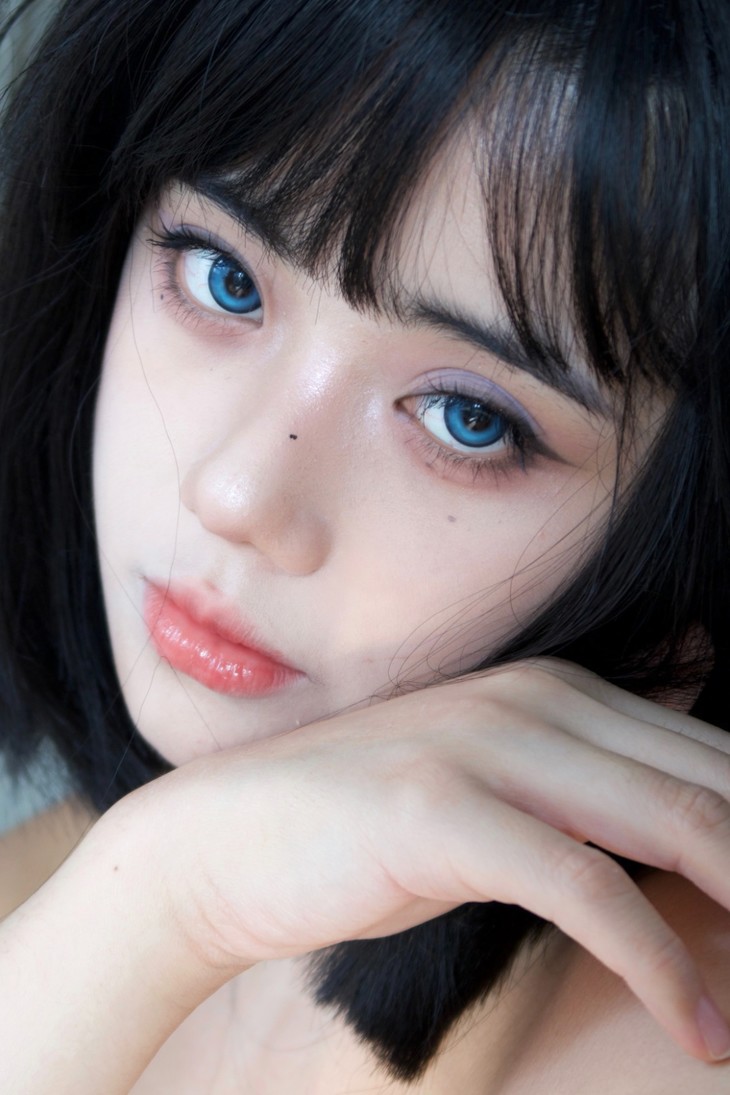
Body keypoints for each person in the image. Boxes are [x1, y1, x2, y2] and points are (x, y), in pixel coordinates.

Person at [0, 0, 729, 1090]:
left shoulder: (678, 1038)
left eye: (467, 419)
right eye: (221, 276)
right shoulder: (61, 887)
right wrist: (153, 909)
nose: (237, 492)